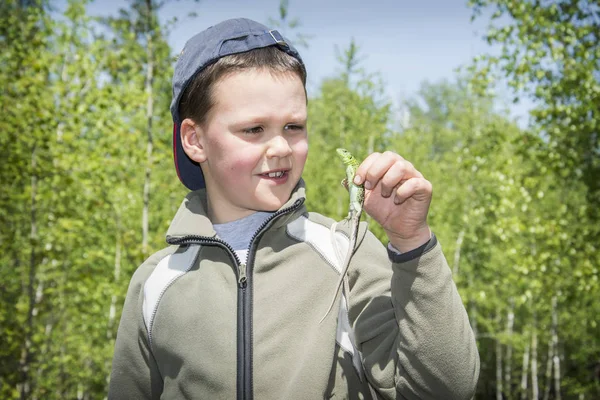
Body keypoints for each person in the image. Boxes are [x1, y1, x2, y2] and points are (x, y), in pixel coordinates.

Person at [108, 17, 479, 400]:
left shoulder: (346, 252)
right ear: (194, 140)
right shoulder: (156, 281)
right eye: (254, 129)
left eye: (294, 127)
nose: (281, 149)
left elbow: (446, 389)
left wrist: (412, 241)